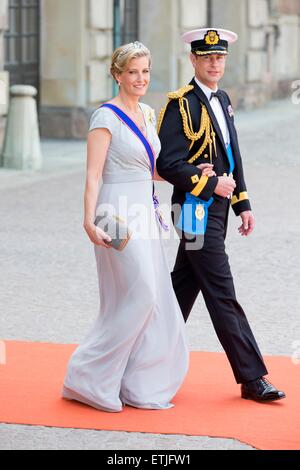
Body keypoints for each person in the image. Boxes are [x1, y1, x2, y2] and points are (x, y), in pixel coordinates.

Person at [156, 28, 285, 402]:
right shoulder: (181, 104)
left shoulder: (224, 98)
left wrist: (242, 203)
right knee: (221, 290)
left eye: (220, 57)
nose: (215, 63)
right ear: (193, 59)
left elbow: (233, 157)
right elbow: (168, 163)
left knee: (181, 288)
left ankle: (140, 357)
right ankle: (252, 377)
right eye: (207, 57)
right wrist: (210, 186)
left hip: (218, 209)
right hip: (193, 210)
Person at [62, 41, 189, 412]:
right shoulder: (105, 117)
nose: (140, 78)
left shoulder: (149, 114)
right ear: (117, 75)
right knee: (141, 293)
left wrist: (193, 176)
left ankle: (134, 381)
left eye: (145, 71)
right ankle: (87, 376)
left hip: (144, 212)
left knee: (148, 296)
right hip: (111, 213)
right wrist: (88, 220)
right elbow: (93, 174)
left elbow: (148, 168)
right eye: (132, 71)